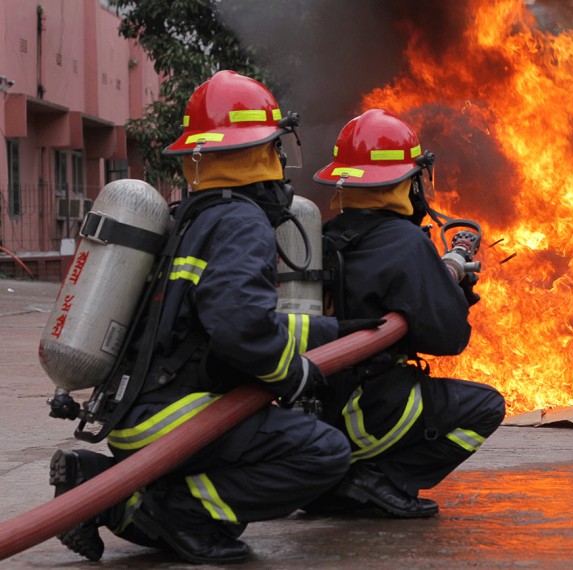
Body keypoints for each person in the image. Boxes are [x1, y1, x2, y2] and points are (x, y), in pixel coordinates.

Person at [49, 70, 361, 565]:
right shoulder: (241, 221)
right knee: (321, 452)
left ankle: (98, 486)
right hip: (177, 421)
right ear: (260, 152)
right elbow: (239, 324)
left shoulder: (189, 216)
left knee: (225, 505)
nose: (281, 165)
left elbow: (212, 320)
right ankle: (175, 511)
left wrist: (335, 332)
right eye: (276, 150)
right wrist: (294, 373)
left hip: (133, 416)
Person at [310, 108, 506, 518]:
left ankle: (333, 483)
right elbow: (448, 339)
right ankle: (384, 478)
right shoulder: (404, 243)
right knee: (486, 406)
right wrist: (455, 292)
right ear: (408, 182)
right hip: (372, 412)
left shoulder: (323, 236)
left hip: (314, 417)